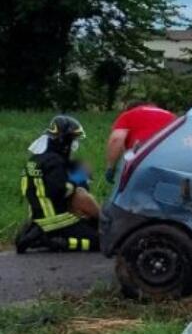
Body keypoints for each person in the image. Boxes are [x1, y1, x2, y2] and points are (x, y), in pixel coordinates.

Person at [15, 116, 101, 254]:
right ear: (64, 141)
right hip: (57, 220)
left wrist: (73, 171)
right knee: (101, 242)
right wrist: (79, 177)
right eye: (72, 140)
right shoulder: (54, 162)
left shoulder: (35, 160)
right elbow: (59, 191)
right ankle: (55, 242)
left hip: (38, 218)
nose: (73, 145)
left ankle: (44, 236)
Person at [103, 100, 176, 183]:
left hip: (140, 156)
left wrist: (111, 167)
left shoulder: (129, 114)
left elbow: (116, 139)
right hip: (170, 160)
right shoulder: (173, 117)